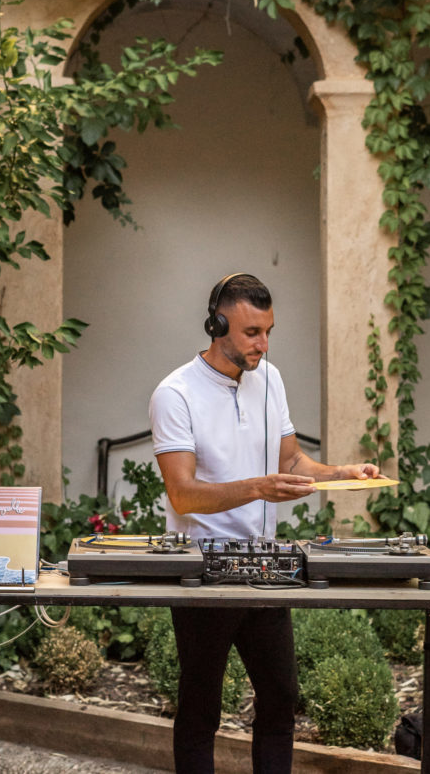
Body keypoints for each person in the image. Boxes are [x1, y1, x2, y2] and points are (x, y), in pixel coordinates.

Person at [148, 273, 381, 774]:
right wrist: (258, 487)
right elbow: (182, 494)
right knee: (201, 706)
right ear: (217, 325)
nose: (264, 344)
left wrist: (340, 473)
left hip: (266, 563)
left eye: (269, 331)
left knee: (280, 698)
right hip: (203, 569)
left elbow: (291, 461)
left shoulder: (269, 378)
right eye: (252, 332)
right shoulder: (175, 393)